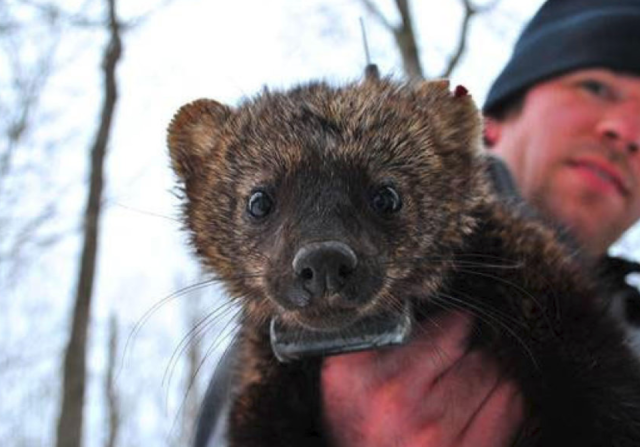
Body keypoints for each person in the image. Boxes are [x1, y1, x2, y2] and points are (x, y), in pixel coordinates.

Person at [195, 0, 640, 445]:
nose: (628, 129)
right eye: (596, 87)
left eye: (385, 201)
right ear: (488, 124)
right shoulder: (271, 331)